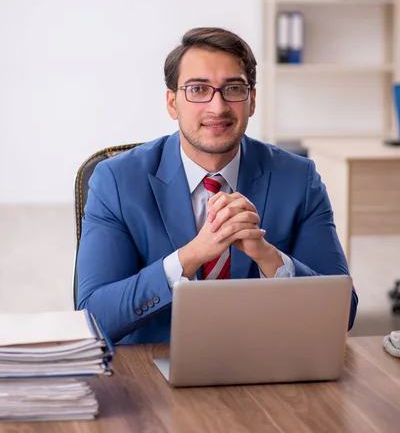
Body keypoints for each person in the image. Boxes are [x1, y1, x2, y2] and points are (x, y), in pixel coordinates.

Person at [77, 27, 358, 344]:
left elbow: (342, 313)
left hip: (264, 367)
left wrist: (268, 257)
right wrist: (190, 256)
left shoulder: (298, 178)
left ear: (251, 101)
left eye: (234, 89)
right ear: (172, 103)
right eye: (197, 89)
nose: (218, 107)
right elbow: (93, 317)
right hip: (154, 371)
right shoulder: (116, 180)